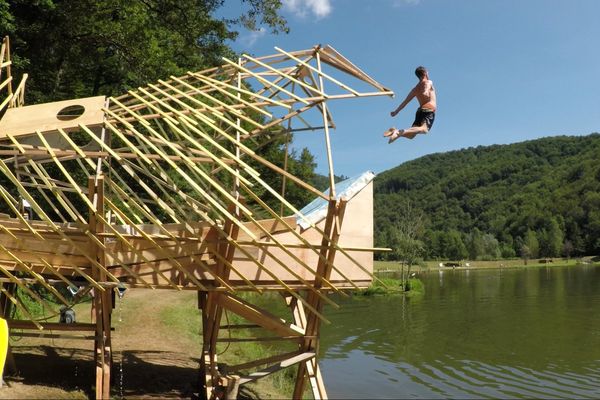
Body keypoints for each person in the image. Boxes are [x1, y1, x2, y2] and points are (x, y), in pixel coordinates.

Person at [384, 66, 436, 143]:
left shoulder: (415, 89)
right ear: (425, 73)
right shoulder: (428, 82)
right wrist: (426, 90)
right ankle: (398, 132)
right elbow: (427, 85)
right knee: (424, 130)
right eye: (427, 72)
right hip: (429, 110)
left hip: (420, 111)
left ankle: (394, 131)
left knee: (411, 135)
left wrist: (396, 111)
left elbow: (405, 102)